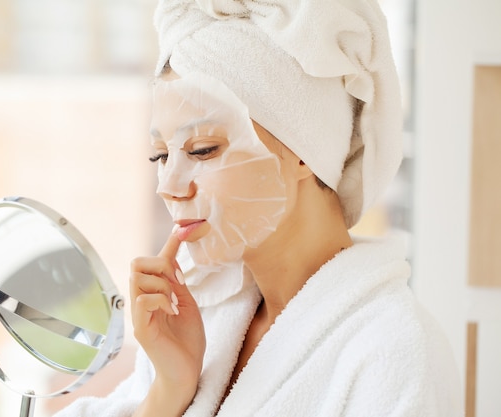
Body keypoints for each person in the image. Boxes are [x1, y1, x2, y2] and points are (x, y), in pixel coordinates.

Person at [56, 0, 463, 416]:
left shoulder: (394, 353)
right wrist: (169, 390)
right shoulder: (197, 318)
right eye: (161, 156)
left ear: (304, 150)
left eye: (202, 149)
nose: (168, 186)